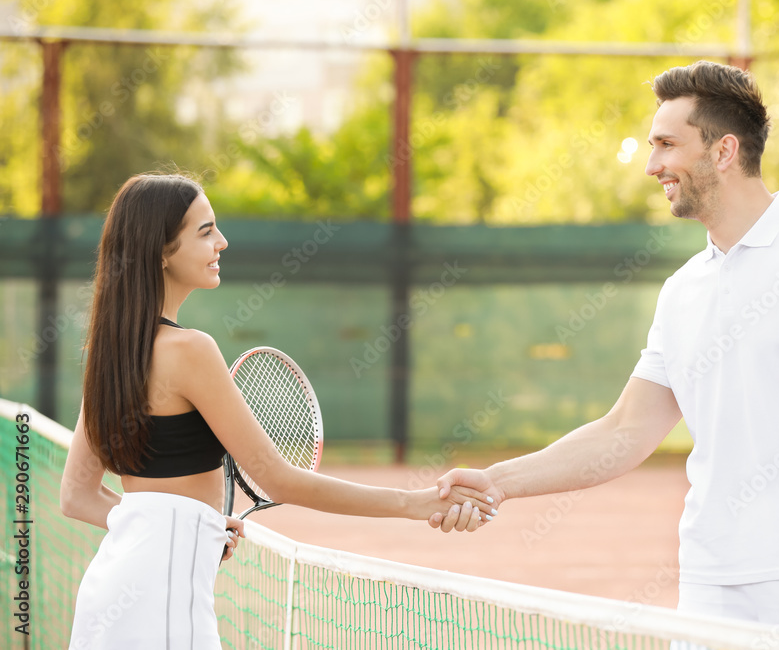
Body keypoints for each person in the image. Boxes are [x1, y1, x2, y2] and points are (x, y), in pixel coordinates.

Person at [433, 61, 779, 642]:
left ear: (723, 151)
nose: (652, 165)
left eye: (667, 144)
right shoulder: (683, 290)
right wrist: (498, 481)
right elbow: (623, 431)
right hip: (709, 589)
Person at [59, 173, 493, 649]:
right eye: (205, 232)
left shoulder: (109, 353)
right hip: (160, 606)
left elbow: (77, 496)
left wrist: (180, 526)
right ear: (161, 250)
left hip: (111, 598)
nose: (222, 242)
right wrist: (413, 503)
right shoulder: (190, 351)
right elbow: (280, 479)